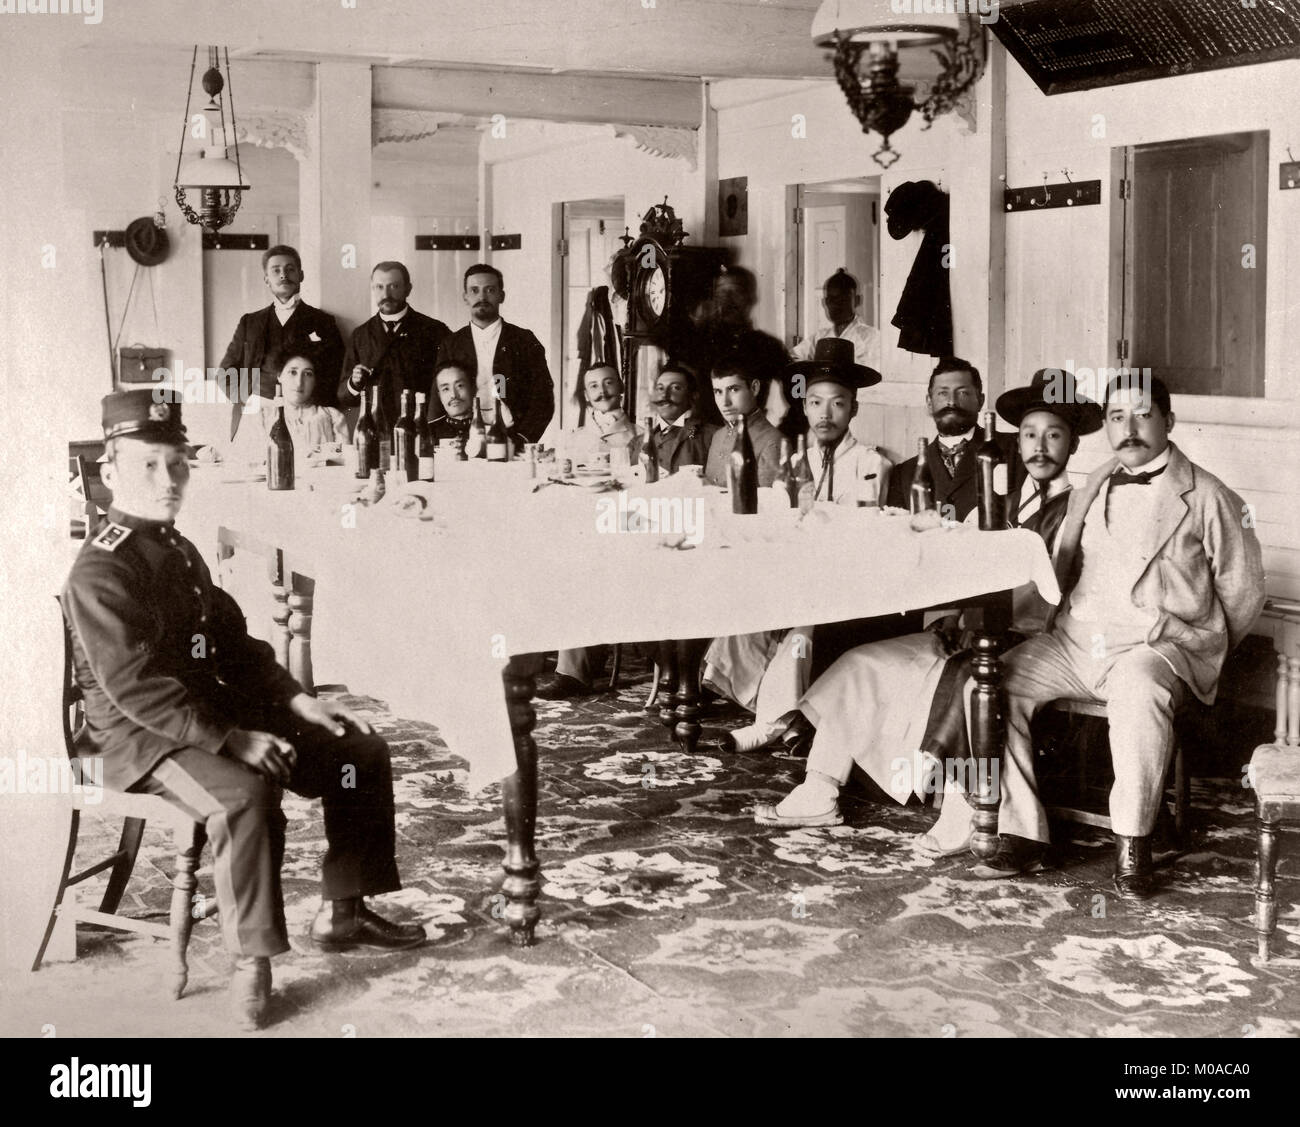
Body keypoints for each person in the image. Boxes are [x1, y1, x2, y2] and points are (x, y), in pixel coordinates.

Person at [61, 390, 425, 1032]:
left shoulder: (179, 549)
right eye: (148, 465)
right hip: (137, 738)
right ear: (109, 471)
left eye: (176, 464)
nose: (167, 480)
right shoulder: (99, 569)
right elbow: (135, 688)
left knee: (354, 746)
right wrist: (236, 739)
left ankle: (345, 908)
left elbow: (237, 644)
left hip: (203, 715)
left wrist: (297, 699)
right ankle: (250, 962)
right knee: (245, 794)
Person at [753, 370, 1100, 836]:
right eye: (1031, 435)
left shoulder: (1083, 509)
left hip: (1028, 639)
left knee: (969, 682)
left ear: (1073, 446)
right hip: (966, 629)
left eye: (1054, 435)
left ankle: (964, 810)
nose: (1040, 446)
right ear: (1017, 445)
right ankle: (820, 788)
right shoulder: (1000, 501)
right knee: (861, 661)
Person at [975, 374, 1265, 899]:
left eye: (1142, 414)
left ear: (1169, 421)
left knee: (1136, 687)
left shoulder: (1211, 495)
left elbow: (1243, 594)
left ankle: (1132, 844)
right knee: (992, 683)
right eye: (1115, 417)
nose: (1128, 428)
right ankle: (1021, 831)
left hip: (1156, 646)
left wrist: (1196, 645)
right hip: (1076, 642)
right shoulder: (1091, 485)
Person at [703, 341, 886, 751]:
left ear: (853, 410)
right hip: (800, 572)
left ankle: (770, 725)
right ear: (804, 408)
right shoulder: (797, 460)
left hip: (849, 582)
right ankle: (790, 716)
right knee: (750, 607)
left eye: (838, 404)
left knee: (803, 626)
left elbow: (860, 535)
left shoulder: (871, 463)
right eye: (816, 403)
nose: (825, 414)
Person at [218, 245, 344, 440]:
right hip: (259, 412)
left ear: (301, 275)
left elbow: (337, 372)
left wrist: (312, 406)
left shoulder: (323, 321)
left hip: (307, 416)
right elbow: (225, 371)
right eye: (276, 270)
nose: (283, 275)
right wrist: (246, 401)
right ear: (266, 278)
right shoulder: (250, 322)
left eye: (290, 269)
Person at [884, 356, 1021, 520]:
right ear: (929, 403)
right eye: (942, 393)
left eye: (962, 393)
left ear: (980, 400)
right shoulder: (905, 473)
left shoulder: (1013, 449)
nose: (951, 402)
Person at [436, 264, 555, 445]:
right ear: (465, 297)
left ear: (502, 296)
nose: (482, 297)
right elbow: (439, 395)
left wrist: (522, 439)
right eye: (474, 290)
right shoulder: (451, 343)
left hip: (511, 436)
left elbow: (543, 398)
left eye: (490, 290)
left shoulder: (523, 340)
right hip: (462, 437)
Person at [338, 261, 449, 434]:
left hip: (421, 430)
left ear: (408, 289)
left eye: (394, 286)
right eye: (379, 287)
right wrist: (354, 382)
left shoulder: (434, 331)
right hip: (375, 431)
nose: (386, 294)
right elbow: (344, 396)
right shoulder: (360, 335)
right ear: (372, 289)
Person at [703, 360, 783, 488]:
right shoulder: (718, 435)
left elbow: (768, 504)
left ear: (754, 388)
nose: (725, 402)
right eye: (718, 391)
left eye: (734, 389)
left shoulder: (772, 440)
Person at [790, 268, 881, 372]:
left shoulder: (872, 337)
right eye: (832, 299)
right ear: (825, 302)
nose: (837, 305)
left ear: (857, 300)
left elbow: (874, 377)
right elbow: (792, 357)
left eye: (843, 299)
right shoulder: (819, 337)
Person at [644, 360, 716, 475]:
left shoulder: (713, 436)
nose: (664, 395)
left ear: (693, 395)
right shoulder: (638, 442)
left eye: (675, 388)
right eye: (660, 388)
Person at [428, 361, 476, 449]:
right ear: (440, 396)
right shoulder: (428, 431)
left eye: (460, 386)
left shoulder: (489, 429)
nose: (453, 395)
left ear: (472, 388)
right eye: (446, 389)